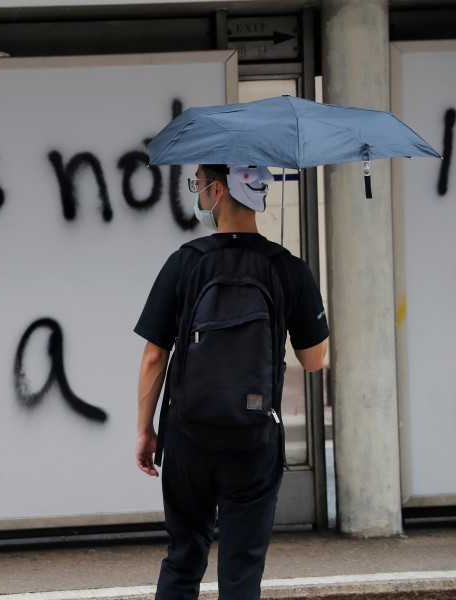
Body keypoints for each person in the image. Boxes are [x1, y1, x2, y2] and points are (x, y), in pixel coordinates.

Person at [134, 164, 329, 600]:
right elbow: (314, 361)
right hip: (253, 441)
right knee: (241, 573)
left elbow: (153, 357)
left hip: (187, 439)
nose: (198, 194)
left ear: (218, 190)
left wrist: (146, 430)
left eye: (198, 184)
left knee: (183, 559)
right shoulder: (289, 269)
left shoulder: (184, 262)